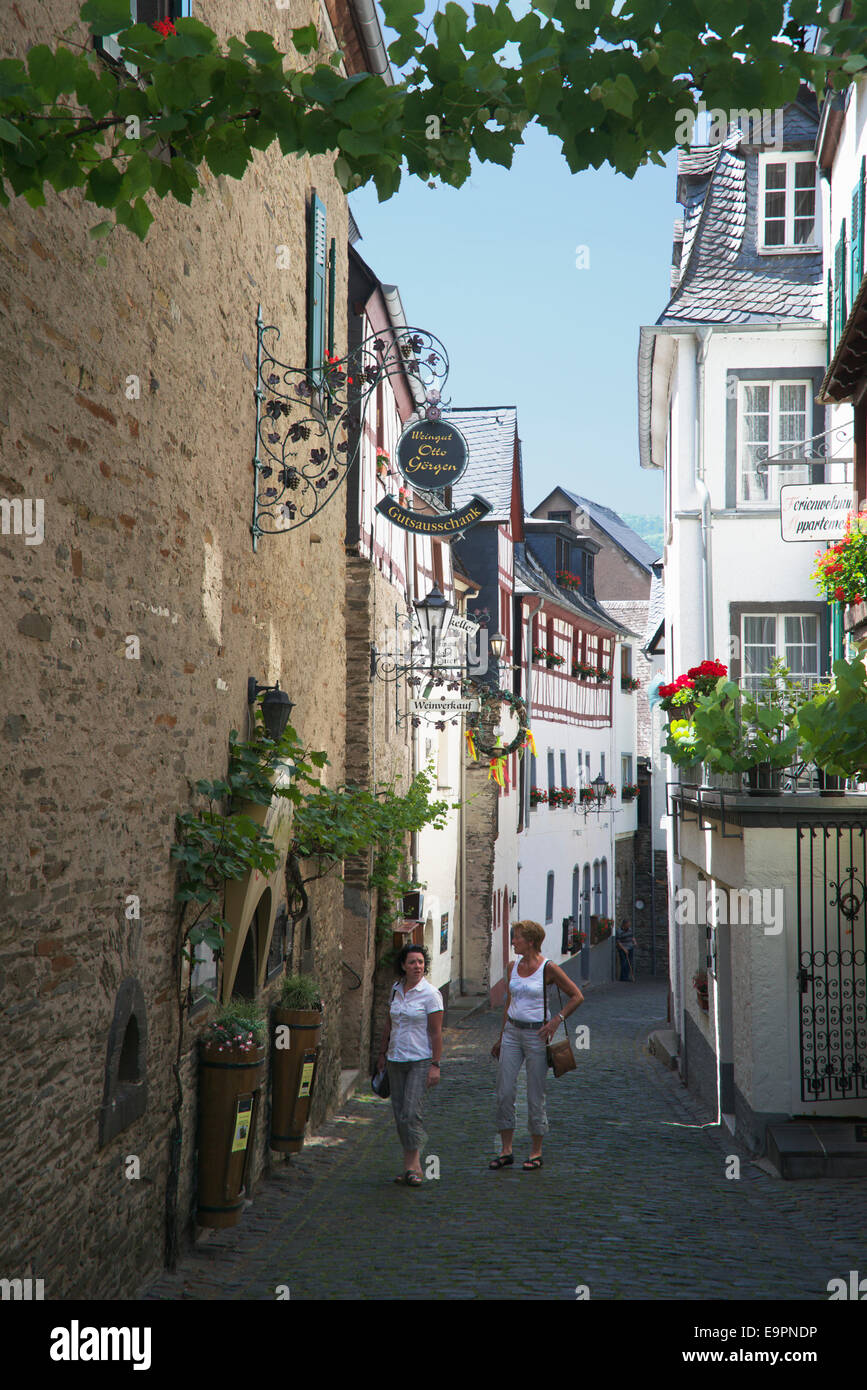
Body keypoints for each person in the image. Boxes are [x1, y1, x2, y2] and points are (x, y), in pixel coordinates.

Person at [490, 920, 584, 1171]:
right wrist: (501, 1037)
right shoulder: (512, 967)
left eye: (517, 938)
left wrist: (556, 1020)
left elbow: (577, 995)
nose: (513, 942)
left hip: (537, 1036)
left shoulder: (548, 968)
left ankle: (535, 1151)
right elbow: (508, 1004)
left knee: (535, 1094)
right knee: (504, 1091)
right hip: (511, 1031)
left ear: (530, 941)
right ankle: (506, 1149)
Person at [376, 943, 443, 1187]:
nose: (417, 966)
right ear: (403, 966)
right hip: (395, 1060)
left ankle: (415, 1167)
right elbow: (388, 1024)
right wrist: (382, 1053)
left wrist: (435, 1065)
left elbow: (436, 1033)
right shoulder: (395, 990)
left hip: (420, 1060)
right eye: (412, 962)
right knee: (399, 1115)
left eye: (421, 962)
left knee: (411, 1113)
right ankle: (408, 1167)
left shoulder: (431, 994)